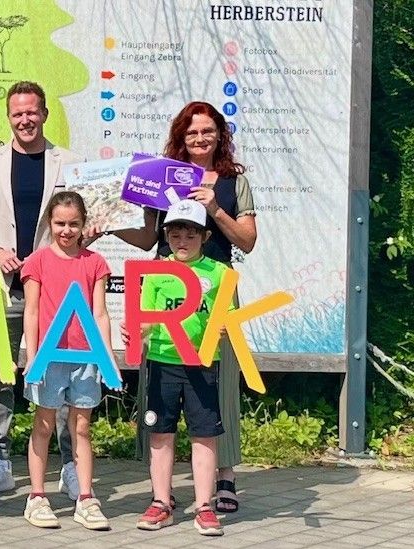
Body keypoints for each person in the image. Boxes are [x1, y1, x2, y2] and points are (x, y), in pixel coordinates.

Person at [109, 101, 258, 515]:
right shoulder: (161, 176)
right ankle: (163, 489)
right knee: (160, 378)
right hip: (165, 286)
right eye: (191, 132)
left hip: (215, 288)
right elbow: (148, 238)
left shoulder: (234, 181)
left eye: (207, 130)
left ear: (220, 134)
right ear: (181, 136)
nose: (199, 138)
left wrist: (214, 209)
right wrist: (107, 225)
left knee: (219, 381)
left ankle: (224, 476)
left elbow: (247, 241)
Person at [0, 81, 84, 498]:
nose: (25, 119)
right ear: (9, 117)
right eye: (18, 113)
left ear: (45, 114)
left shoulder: (71, 163)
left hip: (55, 292)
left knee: (61, 374)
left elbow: (82, 221)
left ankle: (70, 466)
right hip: (4, 289)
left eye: (32, 112)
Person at [130, 199, 229, 537]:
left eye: (190, 235)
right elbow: (146, 318)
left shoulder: (219, 273)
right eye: (175, 235)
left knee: (204, 434)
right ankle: (161, 502)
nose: (182, 242)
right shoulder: (156, 272)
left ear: (205, 237)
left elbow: (228, 318)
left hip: (202, 364)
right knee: (160, 433)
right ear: (166, 237)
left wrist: (226, 326)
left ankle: (204, 506)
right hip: (163, 363)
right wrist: (137, 330)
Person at [19, 192, 116, 531]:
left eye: (74, 224)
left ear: (83, 224)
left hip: (86, 358)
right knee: (43, 425)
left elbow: (100, 313)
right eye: (60, 223)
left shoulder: (95, 263)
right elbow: (32, 311)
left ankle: (86, 498)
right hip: (50, 358)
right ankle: (37, 496)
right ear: (50, 222)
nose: (66, 230)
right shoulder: (37, 261)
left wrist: (108, 357)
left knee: (82, 428)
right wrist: (33, 357)